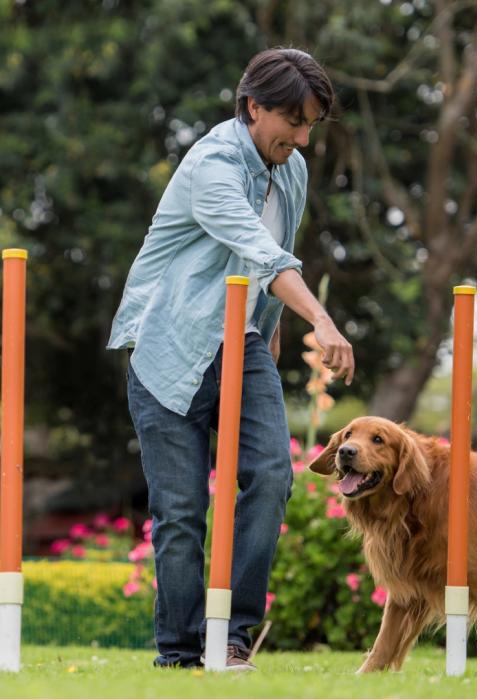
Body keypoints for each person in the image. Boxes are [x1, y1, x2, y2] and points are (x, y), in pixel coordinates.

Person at [107, 47, 355, 671]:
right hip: (171, 348)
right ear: (252, 108)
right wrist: (320, 318)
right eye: (292, 122)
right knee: (183, 511)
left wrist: (268, 329)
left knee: (273, 476)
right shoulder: (213, 164)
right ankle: (181, 652)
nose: (300, 139)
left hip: (242, 347)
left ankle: (235, 637)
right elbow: (258, 250)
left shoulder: (290, 169)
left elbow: (275, 251)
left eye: (309, 126)